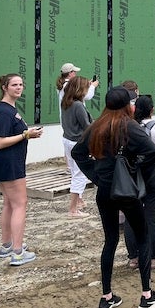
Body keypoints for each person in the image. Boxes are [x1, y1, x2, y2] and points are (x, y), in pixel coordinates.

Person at [72, 87, 155, 308]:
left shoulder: (95, 127)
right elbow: (152, 153)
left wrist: (95, 175)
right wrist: (136, 171)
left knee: (110, 240)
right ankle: (147, 296)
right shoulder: (129, 126)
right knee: (143, 236)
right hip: (126, 191)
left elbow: (78, 153)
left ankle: (106, 297)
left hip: (104, 191)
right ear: (129, 106)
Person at [0, 74, 43, 266]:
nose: (18, 88)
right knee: (20, 203)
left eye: (20, 85)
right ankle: (17, 253)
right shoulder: (3, 112)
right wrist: (25, 134)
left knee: (9, 203)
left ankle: (7, 246)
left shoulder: (8, 109)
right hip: (8, 162)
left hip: (7, 162)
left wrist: (27, 135)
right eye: (14, 85)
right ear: (4, 87)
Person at [125, 95, 155, 270]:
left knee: (131, 218)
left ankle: (134, 257)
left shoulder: (129, 127)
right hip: (154, 174)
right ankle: (153, 258)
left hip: (132, 175)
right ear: (152, 110)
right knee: (152, 218)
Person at [60, 76, 93, 218]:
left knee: (75, 173)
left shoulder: (66, 102)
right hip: (77, 142)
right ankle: (73, 209)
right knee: (79, 175)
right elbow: (87, 126)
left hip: (67, 139)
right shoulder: (78, 105)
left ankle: (78, 201)